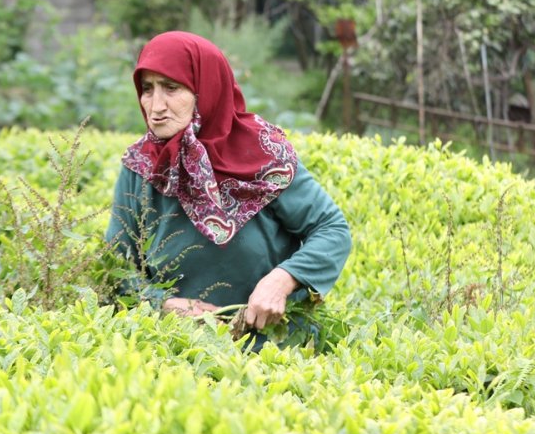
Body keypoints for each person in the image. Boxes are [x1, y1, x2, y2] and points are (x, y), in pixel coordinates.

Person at [105, 31, 352, 347]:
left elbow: (332, 230)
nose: (156, 106)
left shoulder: (263, 154)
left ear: (206, 89)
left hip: (274, 348)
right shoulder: (140, 166)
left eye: (171, 88)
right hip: (175, 347)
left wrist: (283, 279)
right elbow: (115, 267)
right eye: (147, 89)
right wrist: (161, 304)